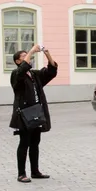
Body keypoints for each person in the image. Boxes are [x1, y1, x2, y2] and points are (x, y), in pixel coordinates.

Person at [9, 43, 57, 182]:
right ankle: (21, 174)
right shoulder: (16, 74)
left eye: (27, 55)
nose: (27, 57)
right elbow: (23, 69)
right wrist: (31, 51)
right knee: (24, 143)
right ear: (18, 61)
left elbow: (51, 71)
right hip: (24, 114)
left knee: (35, 143)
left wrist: (47, 54)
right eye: (23, 56)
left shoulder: (34, 74)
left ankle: (35, 171)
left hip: (36, 112)